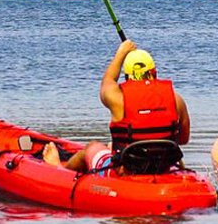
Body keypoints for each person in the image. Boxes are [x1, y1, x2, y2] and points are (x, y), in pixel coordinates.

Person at [42, 39, 191, 174]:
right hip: (163, 167)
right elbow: (183, 139)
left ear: (126, 77)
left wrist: (121, 53)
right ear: (154, 73)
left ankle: (59, 169)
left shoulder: (118, 99)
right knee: (111, 145)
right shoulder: (176, 100)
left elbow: (107, 81)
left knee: (91, 148)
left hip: (125, 171)